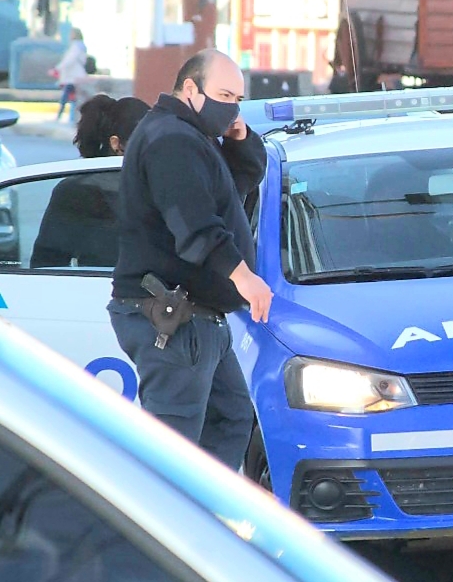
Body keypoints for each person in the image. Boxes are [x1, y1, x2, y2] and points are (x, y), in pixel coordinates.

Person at [107, 49, 273, 470]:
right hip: (175, 318)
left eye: (238, 99)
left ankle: (204, 507)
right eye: (223, 95)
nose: (231, 107)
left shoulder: (193, 138)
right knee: (173, 452)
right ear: (189, 88)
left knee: (231, 418)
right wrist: (244, 277)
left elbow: (233, 189)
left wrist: (240, 140)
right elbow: (195, 224)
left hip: (200, 320)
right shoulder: (172, 140)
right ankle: (163, 512)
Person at [30, 94, 149, 269]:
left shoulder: (166, 185)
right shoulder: (78, 191)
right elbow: (47, 265)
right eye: (147, 142)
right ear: (116, 144)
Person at [52, 28, 88, 122]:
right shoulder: (81, 45)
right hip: (76, 76)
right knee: (73, 97)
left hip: (73, 76)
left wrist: (58, 68)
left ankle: (63, 117)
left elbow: (69, 60)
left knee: (67, 97)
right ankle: (71, 117)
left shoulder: (76, 46)